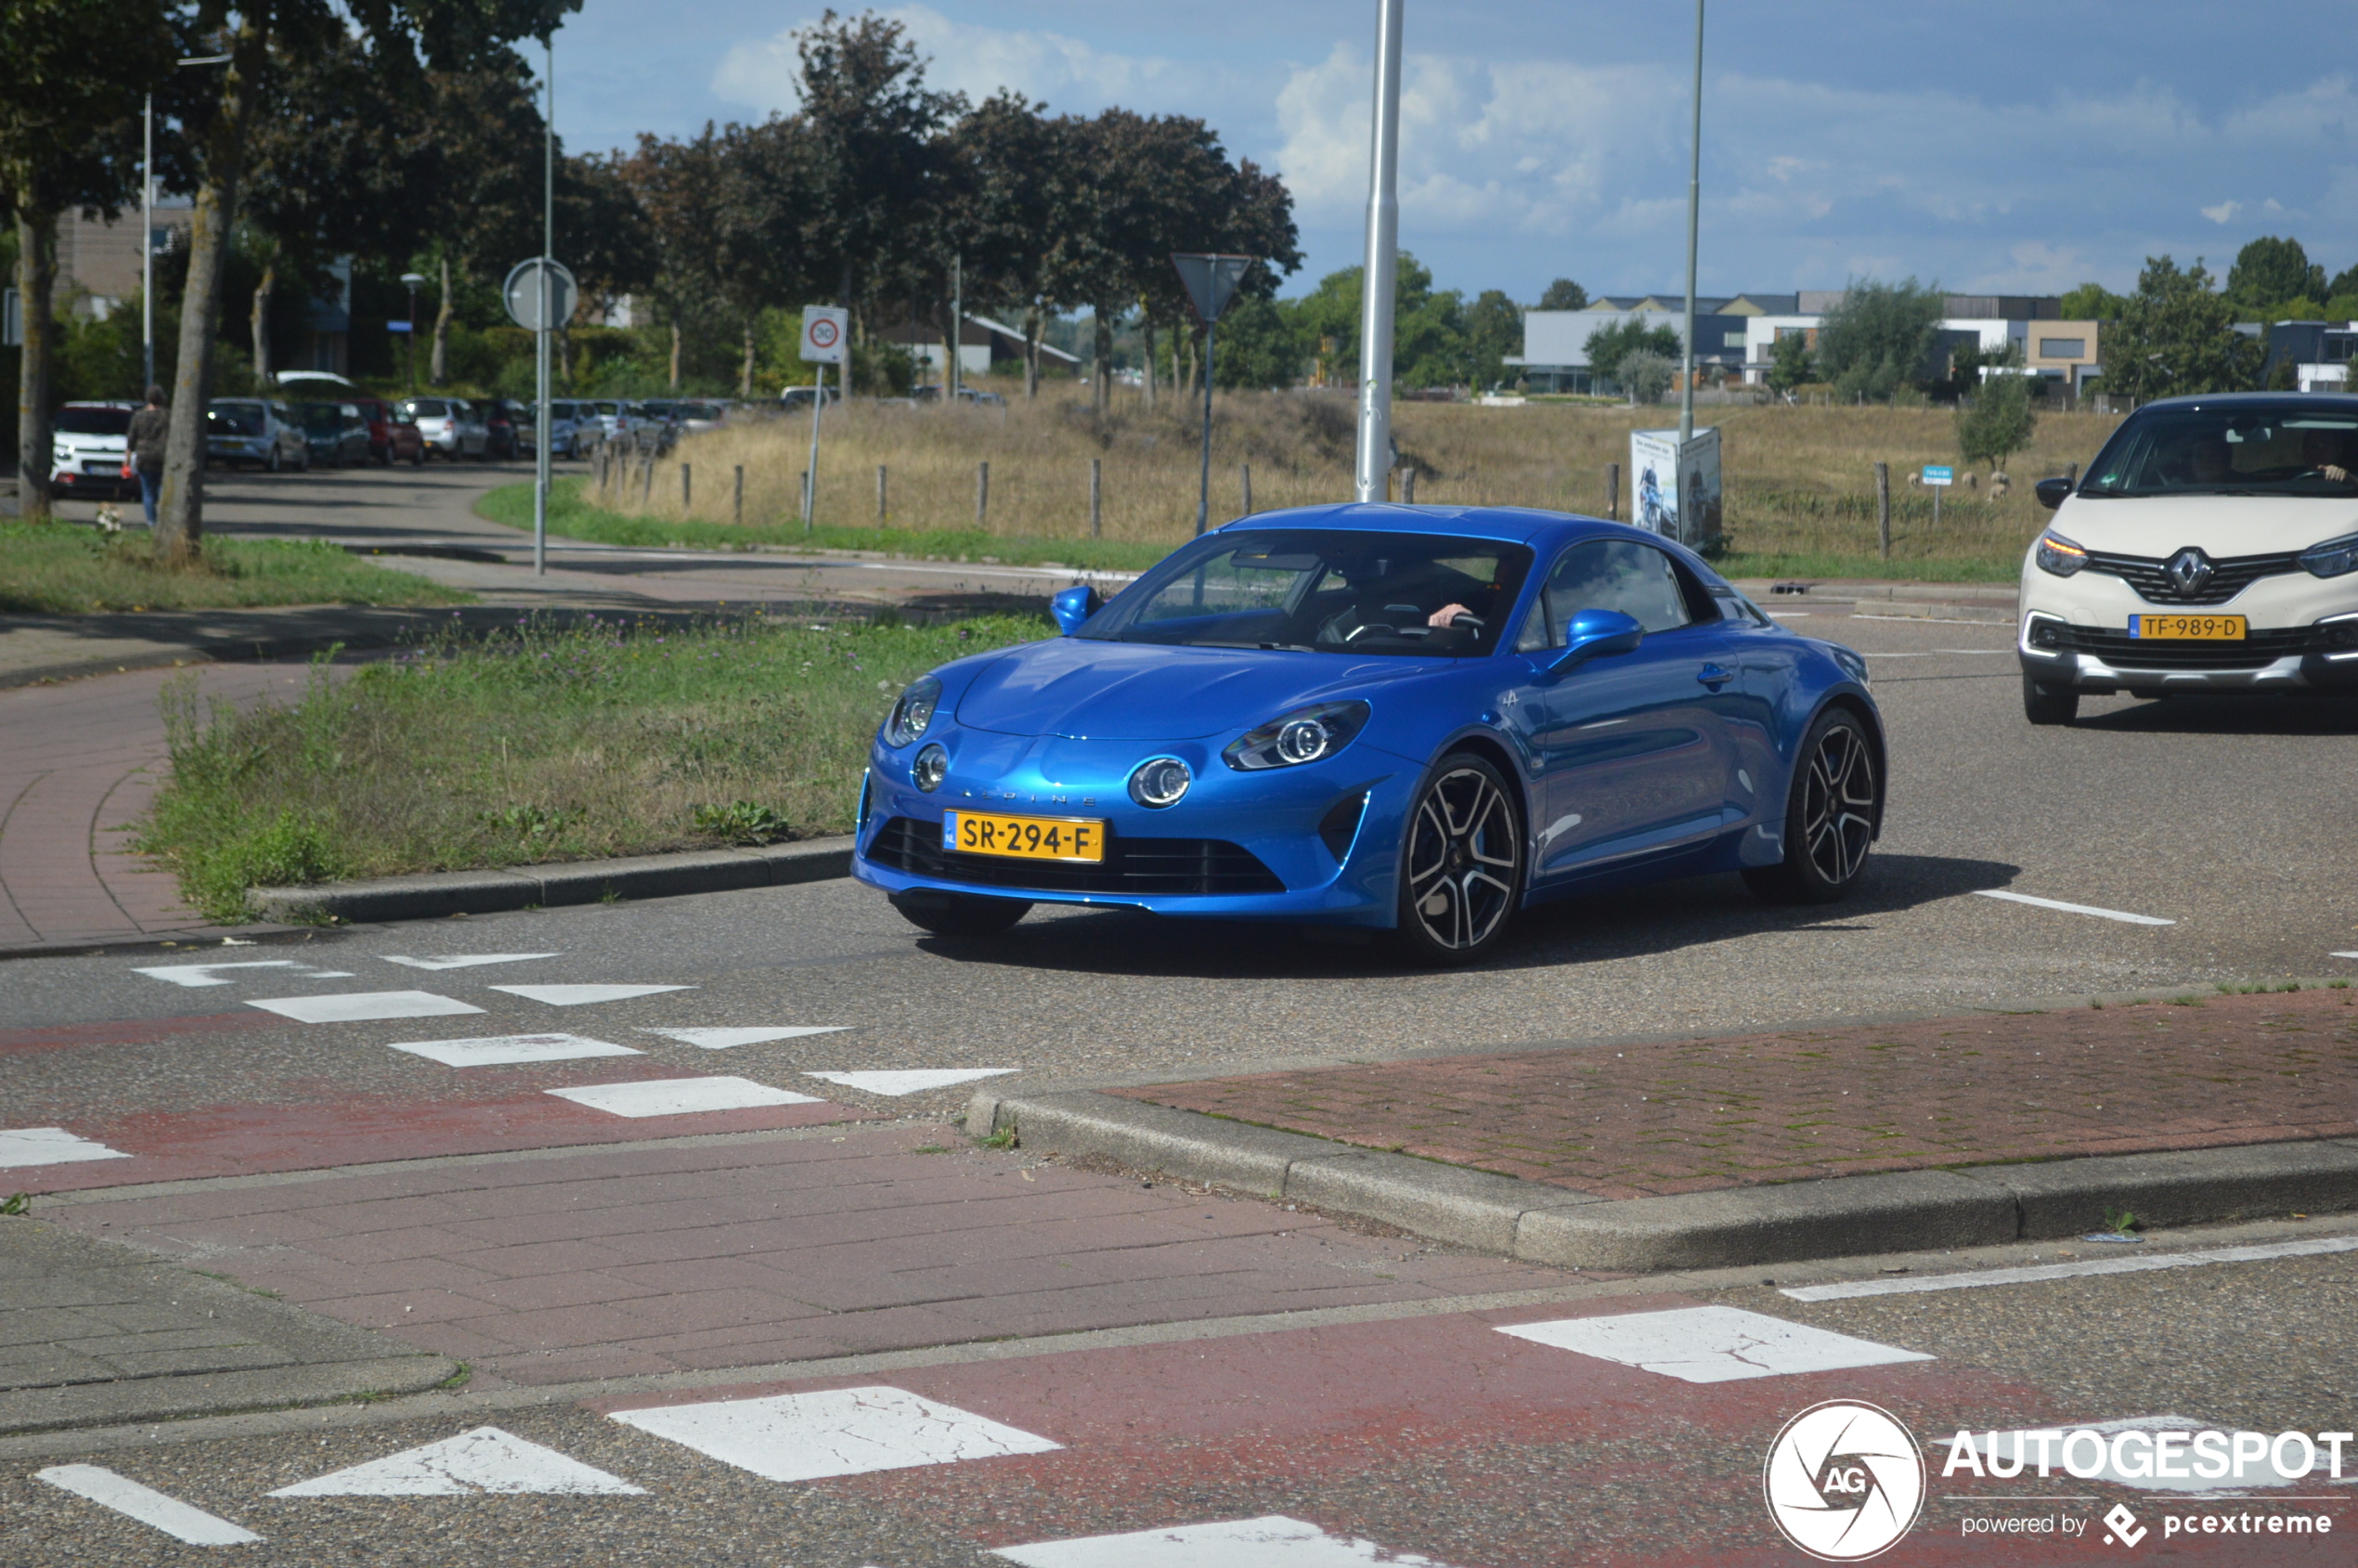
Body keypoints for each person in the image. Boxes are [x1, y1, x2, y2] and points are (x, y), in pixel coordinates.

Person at [125, 386, 169, 526]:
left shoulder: (139, 416)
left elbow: (131, 439)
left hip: (144, 457)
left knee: (148, 492)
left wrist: (126, 460)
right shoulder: (167, 415)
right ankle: (164, 520)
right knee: (163, 490)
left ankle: (152, 522)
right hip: (163, 457)